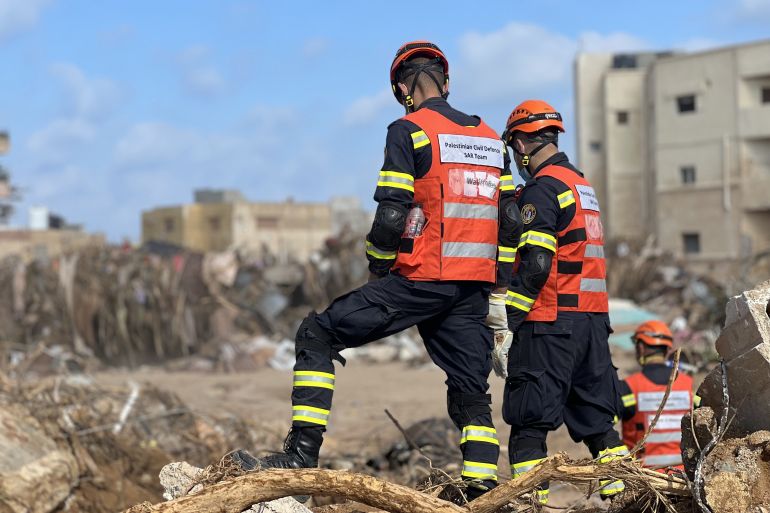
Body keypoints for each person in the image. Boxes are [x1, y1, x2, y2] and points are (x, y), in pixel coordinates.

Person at [233, 41, 521, 500]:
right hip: (473, 288)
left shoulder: (409, 130)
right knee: (471, 386)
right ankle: (482, 487)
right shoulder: (491, 140)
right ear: (446, 82)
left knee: (317, 333)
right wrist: (499, 293)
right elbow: (509, 224)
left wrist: (379, 270)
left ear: (404, 90)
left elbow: (391, 215)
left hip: (421, 279)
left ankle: (302, 454)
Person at [496, 100, 627, 503]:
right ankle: (628, 499)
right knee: (598, 424)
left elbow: (537, 264)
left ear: (520, 142)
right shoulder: (580, 185)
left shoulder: (545, 187)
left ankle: (529, 505)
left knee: (528, 426)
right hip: (590, 326)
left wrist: (508, 322)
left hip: (550, 322)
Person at [619, 320, 698, 471]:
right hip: (684, 477)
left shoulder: (630, 386)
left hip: (644, 479)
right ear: (667, 349)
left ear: (641, 347)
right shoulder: (688, 384)